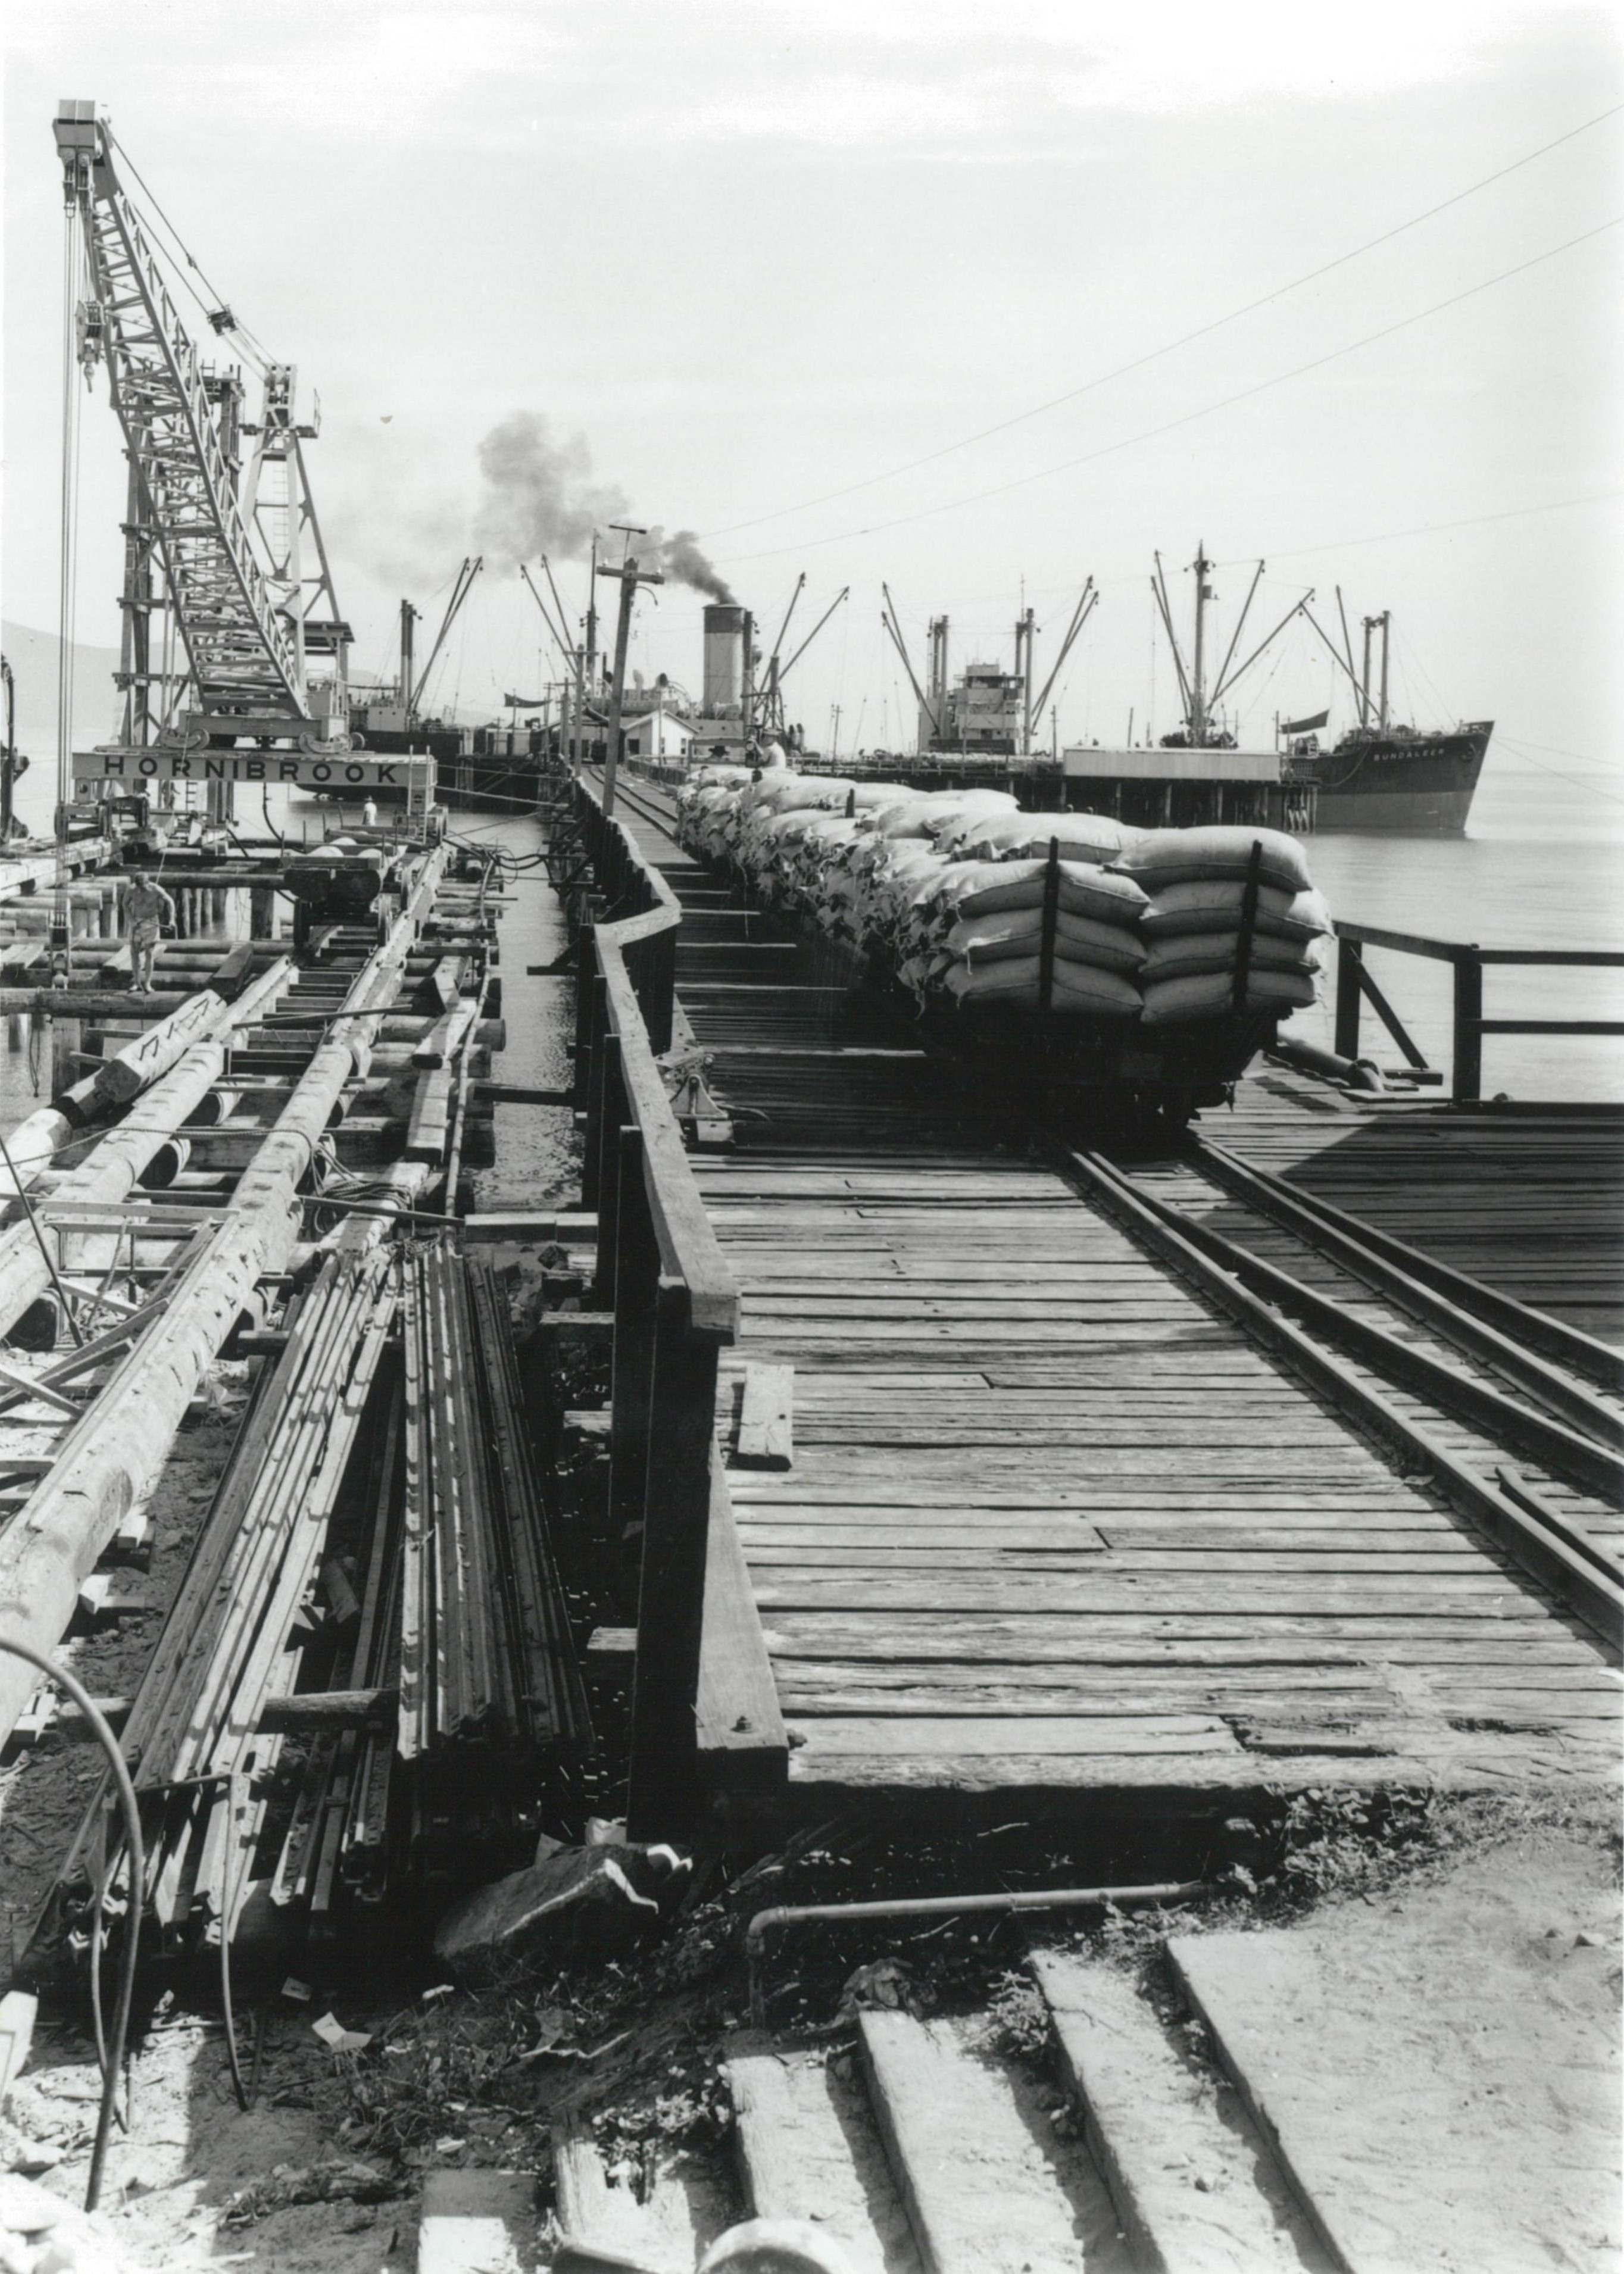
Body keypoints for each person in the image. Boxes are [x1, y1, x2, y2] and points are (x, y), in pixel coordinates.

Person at [126, 870, 176, 992]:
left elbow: (170, 902)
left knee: (149, 953)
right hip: (136, 923)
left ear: (148, 884)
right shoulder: (131, 890)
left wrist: (172, 920)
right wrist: (131, 920)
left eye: (143, 888)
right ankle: (136, 983)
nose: (140, 890)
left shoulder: (156, 889)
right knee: (134, 953)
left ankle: (148, 983)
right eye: (138, 888)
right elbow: (125, 905)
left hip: (152, 922)